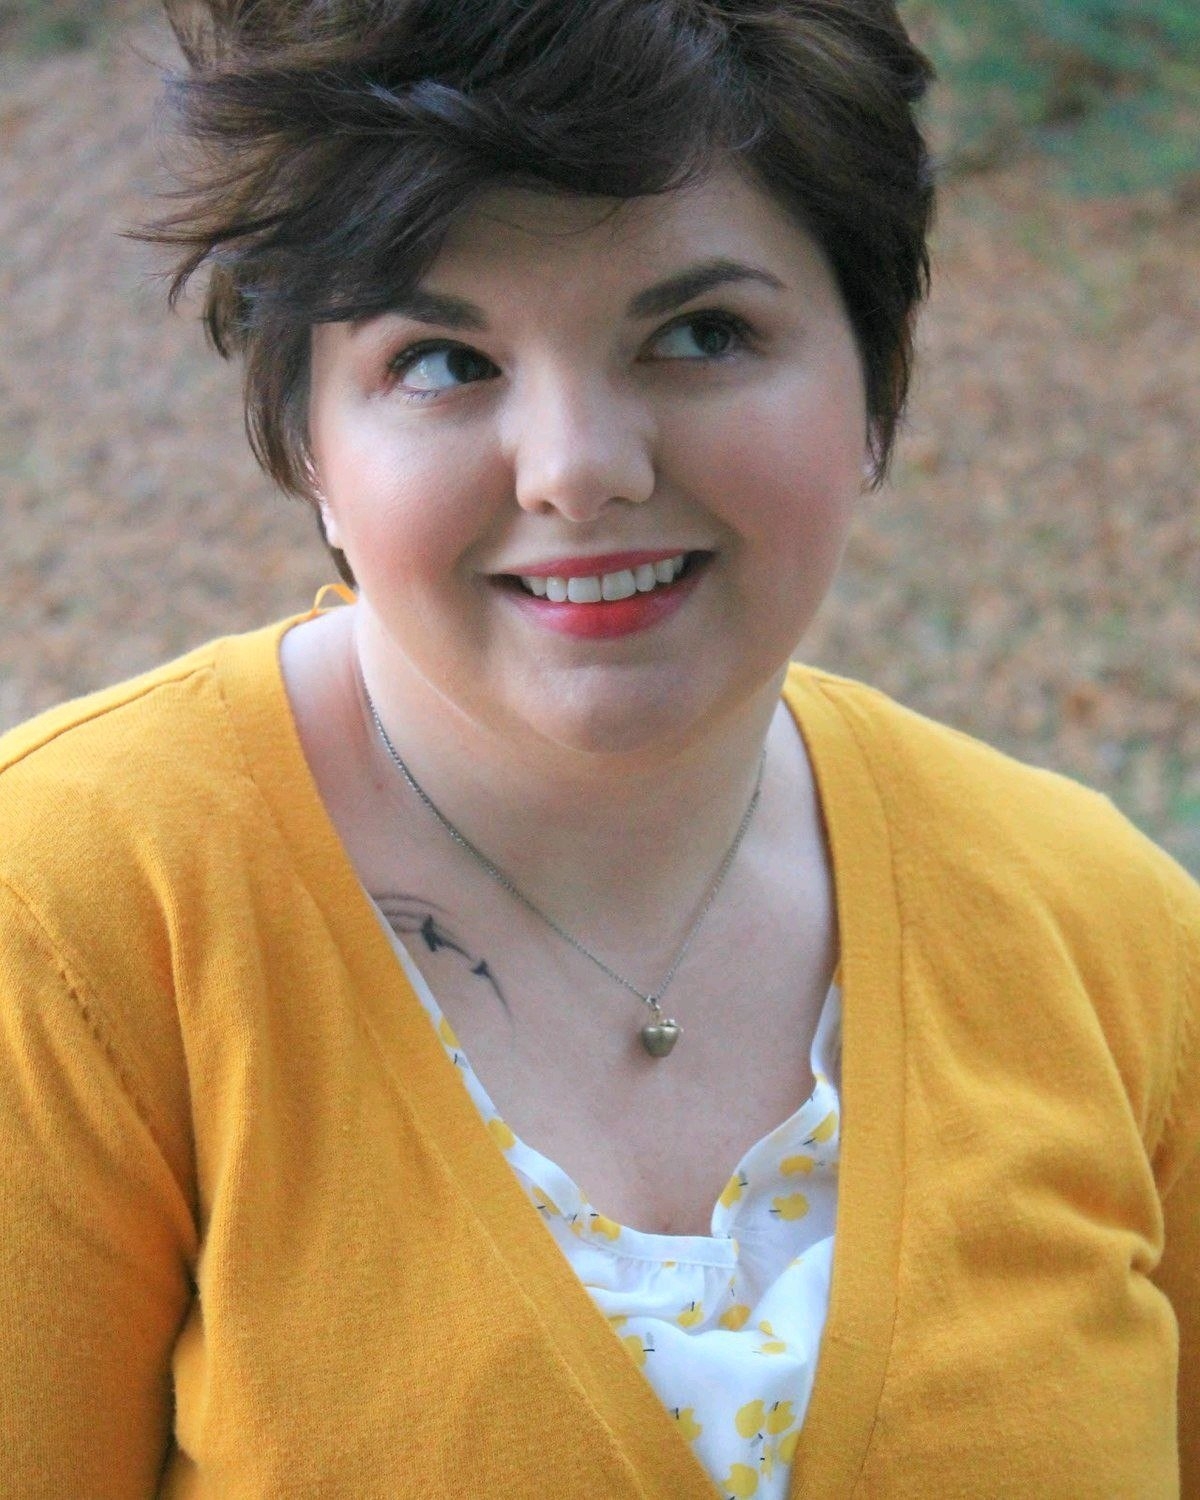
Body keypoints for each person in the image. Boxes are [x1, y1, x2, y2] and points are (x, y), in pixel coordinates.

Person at [2, 0, 1196, 1494]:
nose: (578, 470)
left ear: (874, 376)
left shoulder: (1113, 936)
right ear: (308, 437)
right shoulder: (68, 926)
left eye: (702, 333)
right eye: (444, 361)